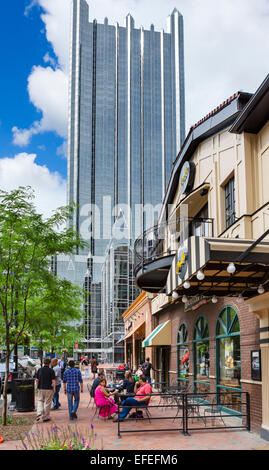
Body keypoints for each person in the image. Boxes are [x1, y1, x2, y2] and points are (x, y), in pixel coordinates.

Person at [35, 358, 56, 422]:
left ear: (43, 363)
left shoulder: (39, 370)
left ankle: (39, 413)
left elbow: (36, 379)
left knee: (40, 401)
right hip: (49, 388)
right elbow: (53, 380)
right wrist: (54, 388)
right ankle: (46, 416)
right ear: (49, 363)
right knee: (47, 402)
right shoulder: (51, 370)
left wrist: (37, 386)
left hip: (41, 388)